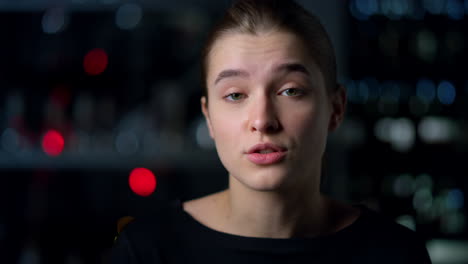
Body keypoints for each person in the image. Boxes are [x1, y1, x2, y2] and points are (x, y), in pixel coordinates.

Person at [111, 0, 432, 263]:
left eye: (290, 90)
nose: (262, 120)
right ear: (209, 117)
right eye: (235, 95)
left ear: (335, 109)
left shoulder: (396, 253)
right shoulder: (147, 251)